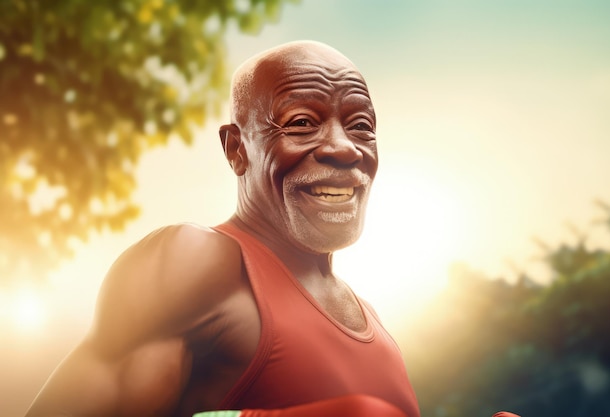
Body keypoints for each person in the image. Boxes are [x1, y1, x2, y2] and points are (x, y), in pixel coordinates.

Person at [25, 41, 518, 417]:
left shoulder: (370, 318)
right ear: (237, 149)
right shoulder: (191, 262)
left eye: (362, 125)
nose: (345, 148)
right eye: (301, 122)